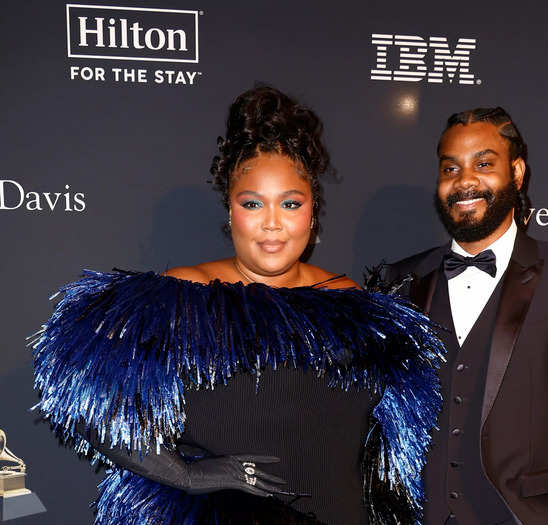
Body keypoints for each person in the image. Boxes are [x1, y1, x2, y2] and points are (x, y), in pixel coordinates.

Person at [30, 86, 444, 525]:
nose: (272, 223)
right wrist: (186, 476)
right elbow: (83, 393)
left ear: (312, 212)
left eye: (290, 203)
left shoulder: (352, 303)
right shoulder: (184, 296)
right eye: (252, 203)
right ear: (230, 211)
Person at [382, 107, 548, 525]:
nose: (465, 180)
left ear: (517, 172)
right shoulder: (399, 280)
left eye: (483, 164)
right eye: (451, 168)